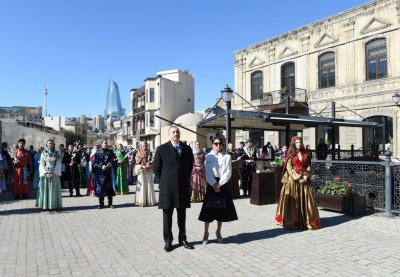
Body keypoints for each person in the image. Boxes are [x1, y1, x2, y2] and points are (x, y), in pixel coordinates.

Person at [152, 126, 194, 252]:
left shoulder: (187, 149)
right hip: (167, 188)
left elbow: (189, 167)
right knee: (167, 216)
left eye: (177, 132)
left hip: (182, 187)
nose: (176, 134)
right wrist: (165, 179)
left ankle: (183, 239)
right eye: (173, 132)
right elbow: (156, 168)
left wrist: (184, 178)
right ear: (169, 135)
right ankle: (168, 241)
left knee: (182, 215)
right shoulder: (161, 149)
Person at [275, 136, 321, 230]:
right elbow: (289, 168)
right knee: (294, 201)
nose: (299, 144)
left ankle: (306, 221)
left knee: (306, 200)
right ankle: (293, 221)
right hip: (293, 181)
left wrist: (305, 175)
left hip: (304, 180)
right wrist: (297, 177)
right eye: (297, 142)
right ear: (293, 144)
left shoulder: (305, 154)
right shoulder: (290, 154)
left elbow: (308, 166)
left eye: (300, 142)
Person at [198, 136, 238, 244]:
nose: (218, 145)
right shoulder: (208, 156)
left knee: (221, 208)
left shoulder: (227, 156)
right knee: (208, 210)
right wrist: (214, 184)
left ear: (223, 145)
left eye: (220, 143)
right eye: (216, 143)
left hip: (222, 184)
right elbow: (207, 172)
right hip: (211, 184)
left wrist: (219, 184)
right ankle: (206, 232)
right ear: (212, 145)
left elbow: (228, 172)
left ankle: (218, 231)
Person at [36, 140, 63, 211]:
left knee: (53, 190)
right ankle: (45, 205)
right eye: (49, 143)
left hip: (54, 174)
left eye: (51, 143)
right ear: (46, 144)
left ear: (54, 144)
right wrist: (46, 172)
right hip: (45, 175)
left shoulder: (57, 153)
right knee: (45, 189)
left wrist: (53, 172)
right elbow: (41, 163)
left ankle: (53, 205)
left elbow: (58, 163)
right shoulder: (43, 153)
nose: (50, 144)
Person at [92, 140, 116, 209]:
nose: (106, 144)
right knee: (101, 187)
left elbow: (115, 160)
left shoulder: (111, 152)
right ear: (101, 144)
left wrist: (110, 164)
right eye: (104, 143)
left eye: (106, 143)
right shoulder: (98, 152)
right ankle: (101, 204)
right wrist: (101, 166)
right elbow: (94, 162)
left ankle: (110, 203)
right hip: (100, 173)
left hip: (108, 172)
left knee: (109, 188)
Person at [134, 141, 157, 207]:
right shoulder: (138, 152)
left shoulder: (150, 152)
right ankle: (142, 201)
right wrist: (142, 166)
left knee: (149, 185)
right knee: (142, 186)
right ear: (141, 145)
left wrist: (149, 165)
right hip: (142, 170)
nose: (145, 146)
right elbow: (137, 161)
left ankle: (149, 201)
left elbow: (153, 160)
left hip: (148, 170)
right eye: (143, 145)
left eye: (146, 145)